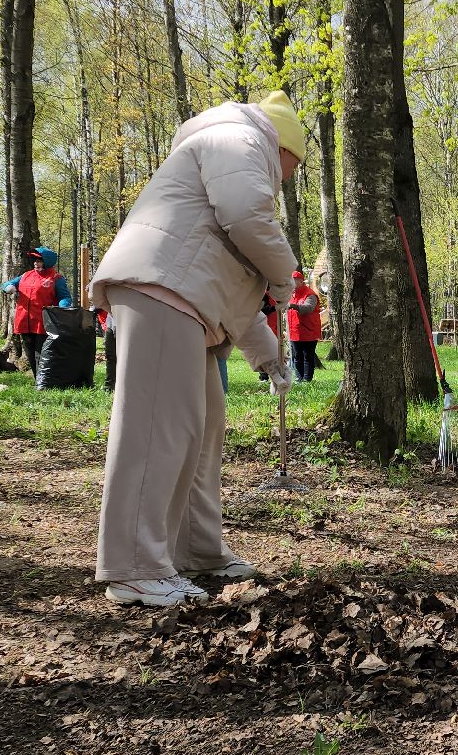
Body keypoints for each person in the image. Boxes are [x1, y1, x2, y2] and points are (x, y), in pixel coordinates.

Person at [88, 90, 303, 607]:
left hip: (185, 296)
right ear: (282, 146)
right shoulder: (237, 137)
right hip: (161, 288)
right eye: (291, 168)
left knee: (201, 431)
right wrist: (285, 274)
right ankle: (135, 566)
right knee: (158, 431)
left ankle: (196, 550)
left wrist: (268, 355)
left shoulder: (234, 149)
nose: (286, 180)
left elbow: (226, 285)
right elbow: (246, 216)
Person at [2, 246, 71, 364]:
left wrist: (62, 309)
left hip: (43, 323)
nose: (36, 263)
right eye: (35, 260)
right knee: (30, 354)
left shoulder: (56, 278)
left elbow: (64, 297)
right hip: (24, 321)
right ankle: (37, 375)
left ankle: (43, 376)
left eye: (39, 261)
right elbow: (7, 284)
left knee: (41, 354)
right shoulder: (26, 276)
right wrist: (8, 287)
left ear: (47, 262)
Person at [286, 269, 323, 382]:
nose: (291, 283)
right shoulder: (291, 295)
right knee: (297, 356)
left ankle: (307, 379)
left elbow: (308, 308)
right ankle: (298, 378)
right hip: (294, 331)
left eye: (294, 280)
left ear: (301, 281)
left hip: (308, 331)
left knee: (308, 356)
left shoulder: (310, 295)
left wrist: (293, 306)